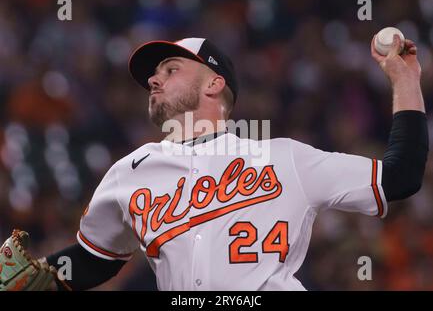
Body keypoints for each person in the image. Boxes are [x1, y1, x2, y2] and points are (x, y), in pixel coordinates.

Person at [0, 35, 428, 291]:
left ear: (214, 82)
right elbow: (96, 258)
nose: (153, 79)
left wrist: (405, 79)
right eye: (154, 75)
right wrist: (47, 276)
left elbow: (402, 176)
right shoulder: (128, 173)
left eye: (170, 69)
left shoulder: (283, 156)